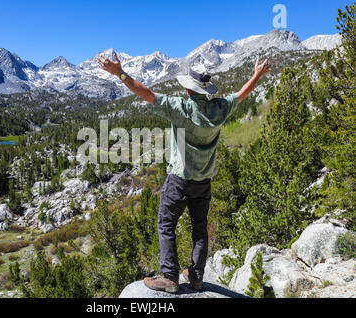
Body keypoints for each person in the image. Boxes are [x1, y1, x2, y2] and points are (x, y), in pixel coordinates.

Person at [98, 52, 272, 293]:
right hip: (204, 180)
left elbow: (146, 93)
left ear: (189, 89)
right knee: (200, 227)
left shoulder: (178, 107)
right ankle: (196, 276)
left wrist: (120, 74)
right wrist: (257, 75)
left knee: (166, 223)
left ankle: (170, 277)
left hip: (179, 179)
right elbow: (241, 95)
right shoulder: (220, 108)